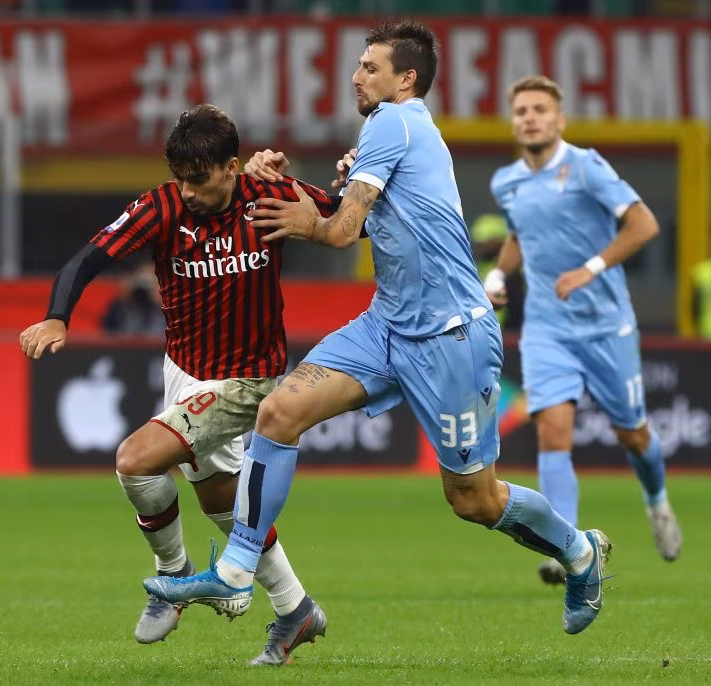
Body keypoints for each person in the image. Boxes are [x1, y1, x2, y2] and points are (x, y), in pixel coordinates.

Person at [144, 20, 612, 637]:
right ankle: (236, 569)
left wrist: (305, 219)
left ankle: (580, 552)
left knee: (474, 499)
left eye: (370, 67)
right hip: (387, 324)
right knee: (279, 412)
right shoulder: (390, 133)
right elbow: (354, 214)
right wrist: (283, 182)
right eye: (359, 65)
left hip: (450, 336)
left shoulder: (394, 121)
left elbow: (340, 231)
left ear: (406, 79)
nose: (356, 76)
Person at [19, 104, 340, 665]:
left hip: (249, 379)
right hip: (185, 373)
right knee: (222, 505)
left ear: (232, 167)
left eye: (199, 178)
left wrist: (342, 180)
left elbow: (348, 217)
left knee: (135, 461)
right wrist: (56, 317)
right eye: (180, 178)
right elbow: (87, 259)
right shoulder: (161, 207)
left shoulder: (269, 193)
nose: (187, 191)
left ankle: (172, 576)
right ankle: (296, 609)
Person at [484, 75, 681, 584]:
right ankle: (568, 548)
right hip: (548, 329)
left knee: (633, 435)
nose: (530, 117)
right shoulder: (507, 182)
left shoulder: (586, 166)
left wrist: (590, 269)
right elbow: (519, 236)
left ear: (559, 119)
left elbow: (644, 224)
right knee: (552, 430)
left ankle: (656, 500)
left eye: (540, 109)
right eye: (522, 110)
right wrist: (499, 275)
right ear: (513, 122)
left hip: (607, 327)